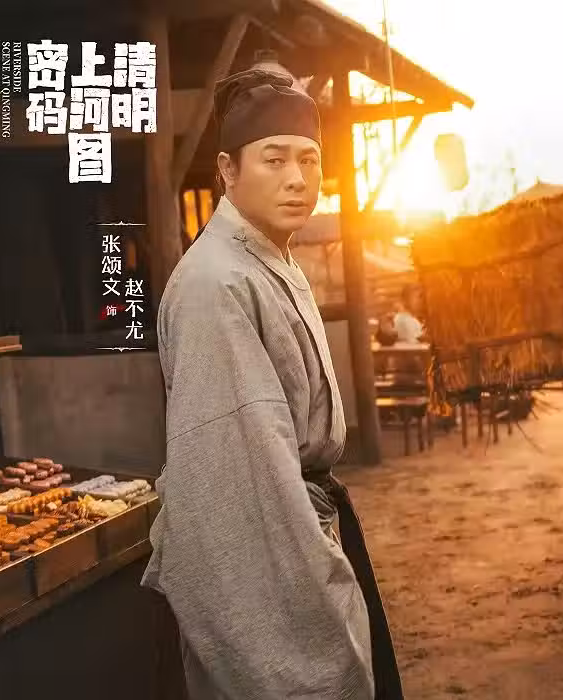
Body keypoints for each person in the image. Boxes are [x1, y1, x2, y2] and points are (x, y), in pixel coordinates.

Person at [142, 69, 402, 700]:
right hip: (269, 530)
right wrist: (313, 581)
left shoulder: (270, 256)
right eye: (274, 158)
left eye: (309, 160)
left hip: (302, 515)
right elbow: (242, 473)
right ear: (227, 170)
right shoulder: (215, 283)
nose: (297, 178)